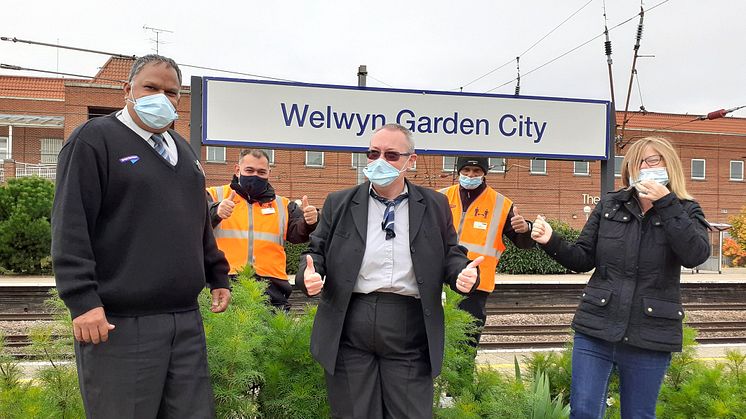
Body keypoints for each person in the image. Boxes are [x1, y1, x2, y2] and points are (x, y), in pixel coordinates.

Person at [52, 54, 231, 419]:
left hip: (184, 320)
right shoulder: (93, 141)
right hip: (119, 323)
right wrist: (82, 301)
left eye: (172, 92)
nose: (161, 98)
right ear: (127, 90)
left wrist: (216, 273)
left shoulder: (183, 151)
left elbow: (196, 219)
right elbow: (71, 225)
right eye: (151, 87)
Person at [297, 123, 483, 419]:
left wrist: (461, 273)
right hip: (350, 322)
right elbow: (315, 252)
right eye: (373, 153)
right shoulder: (339, 202)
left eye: (391, 154)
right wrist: (309, 275)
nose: (380, 161)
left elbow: (450, 253)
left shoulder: (434, 204)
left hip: (409, 326)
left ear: (411, 161)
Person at [530, 137, 711, 419]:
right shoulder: (610, 205)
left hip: (651, 333)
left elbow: (695, 255)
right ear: (629, 171)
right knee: (584, 411)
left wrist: (666, 202)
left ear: (669, 166)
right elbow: (582, 258)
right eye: (638, 162)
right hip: (597, 328)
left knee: (638, 415)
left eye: (654, 161)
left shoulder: (686, 209)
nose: (646, 167)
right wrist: (551, 240)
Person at [439, 156, 534, 346]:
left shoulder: (502, 204)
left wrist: (526, 229)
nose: (470, 175)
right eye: (466, 171)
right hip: (438, 282)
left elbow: (523, 244)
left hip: (475, 287)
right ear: (458, 172)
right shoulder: (440, 198)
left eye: (476, 172)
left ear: (484, 174)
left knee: (465, 346)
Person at [207, 149, 318, 311]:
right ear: (237, 170)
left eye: (261, 172)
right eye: (249, 170)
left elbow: (298, 234)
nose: (255, 176)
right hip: (224, 286)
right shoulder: (215, 196)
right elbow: (193, 221)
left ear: (269, 173)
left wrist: (310, 222)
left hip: (273, 291)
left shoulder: (284, 205)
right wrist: (215, 212)